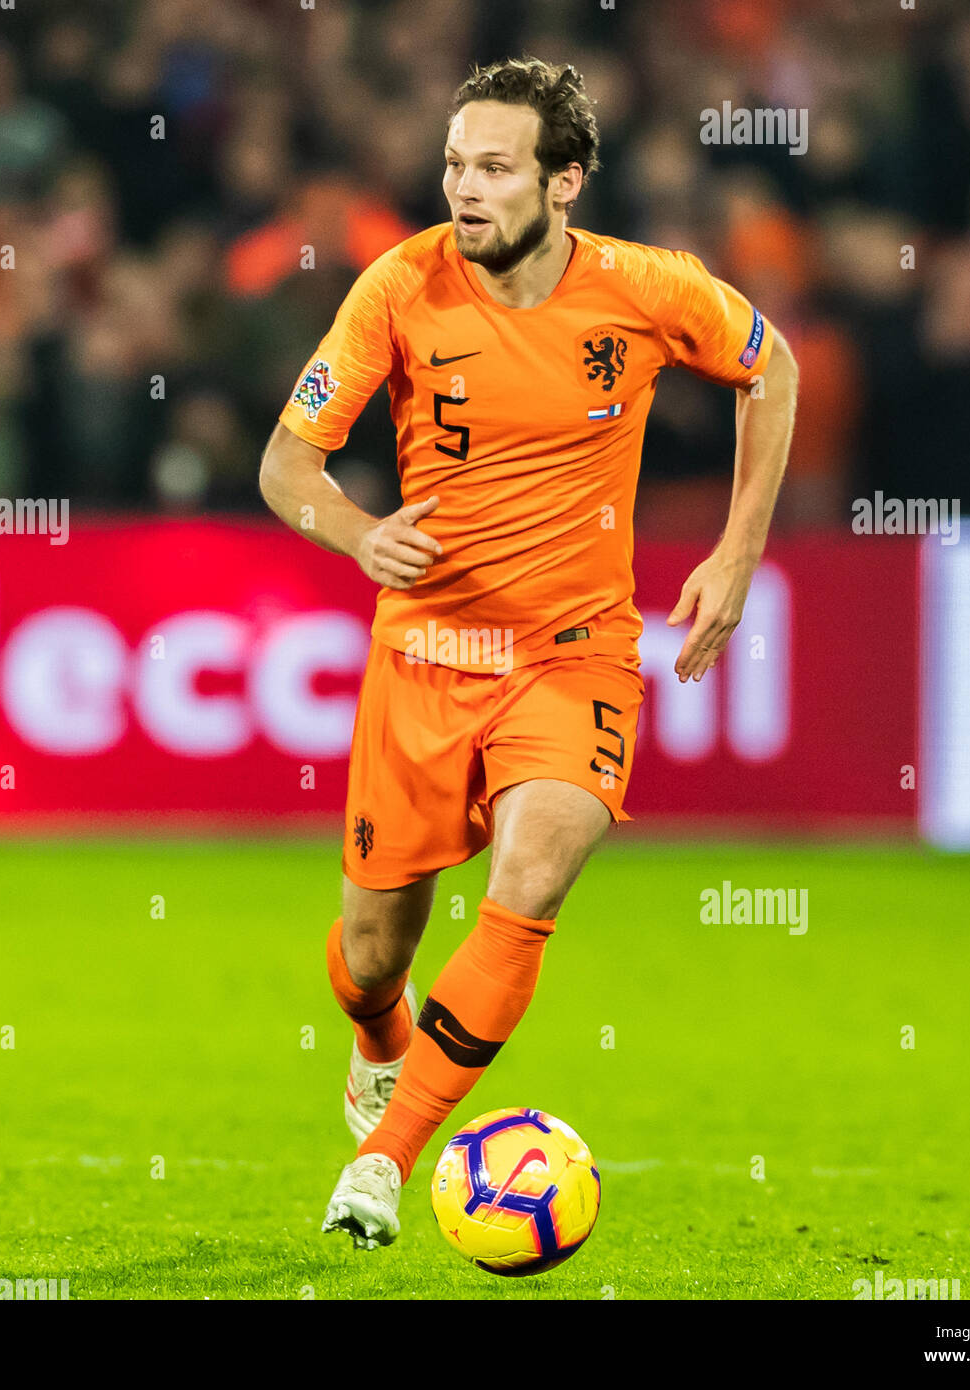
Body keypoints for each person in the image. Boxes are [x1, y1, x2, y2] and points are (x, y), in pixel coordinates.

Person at [259, 57, 798, 1250]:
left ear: (564, 182)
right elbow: (285, 464)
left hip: (574, 654)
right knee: (367, 955)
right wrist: (356, 532)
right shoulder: (398, 287)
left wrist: (738, 547)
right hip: (423, 658)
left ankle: (384, 1165)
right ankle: (376, 1044)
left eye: (493, 168)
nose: (463, 188)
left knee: (531, 881)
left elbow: (775, 368)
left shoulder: (649, 290)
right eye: (454, 163)